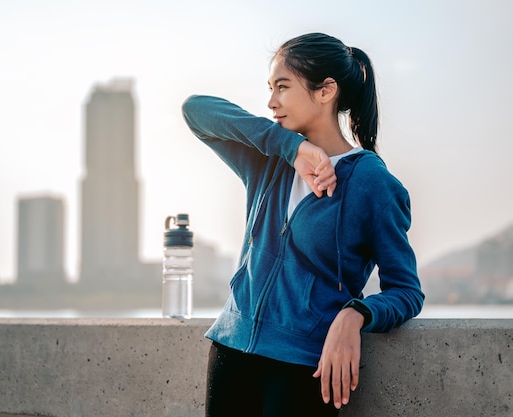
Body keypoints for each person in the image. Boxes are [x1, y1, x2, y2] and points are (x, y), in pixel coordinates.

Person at [181, 32, 425, 416]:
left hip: (301, 369)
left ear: (326, 91)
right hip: (231, 351)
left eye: (283, 86)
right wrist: (289, 147)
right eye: (270, 87)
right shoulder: (268, 160)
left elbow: (407, 290)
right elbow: (196, 110)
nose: (271, 101)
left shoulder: (371, 183)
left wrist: (355, 313)